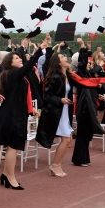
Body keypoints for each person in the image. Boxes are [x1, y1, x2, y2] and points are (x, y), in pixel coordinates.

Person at [0, 35, 49, 189]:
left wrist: (30, 111)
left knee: (14, 146)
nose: (20, 59)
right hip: (12, 115)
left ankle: (6, 175)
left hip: (16, 113)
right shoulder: (12, 74)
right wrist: (40, 49)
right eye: (16, 58)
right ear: (9, 63)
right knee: (13, 146)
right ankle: (10, 177)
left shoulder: (14, 75)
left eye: (20, 58)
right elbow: (28, 64)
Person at [36, 42, 74, 176]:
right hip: (56, 112)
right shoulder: (55, 77)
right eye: (63, 58)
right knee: (66, 139)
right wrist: (60, 100)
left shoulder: (68, 76)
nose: (66, 59)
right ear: (58, 63)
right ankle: (55, 165)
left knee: (68, 139)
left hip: (63, 111)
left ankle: (57, 164)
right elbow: (47, 96)